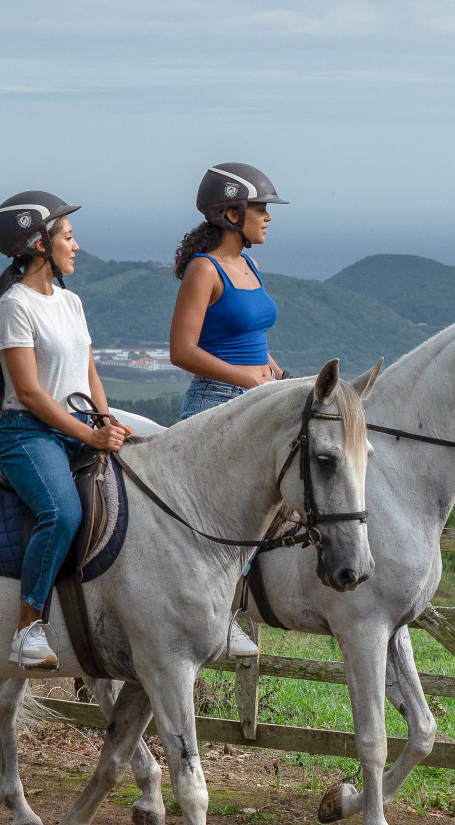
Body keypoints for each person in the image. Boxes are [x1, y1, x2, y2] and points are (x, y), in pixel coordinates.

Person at [0, 190, 131, 670]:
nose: (76, 245)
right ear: (40, 244)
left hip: (78, 425)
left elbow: (90, 375)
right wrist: (89, 437)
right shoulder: (14, 306)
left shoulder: (71, 302)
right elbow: (33, 394)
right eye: (68, 236)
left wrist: (106, 421)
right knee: (62, 512)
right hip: (30, 434)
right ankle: (27, 628)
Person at [168, 163, 288, 657]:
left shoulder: (248, 265)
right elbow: (181, 350)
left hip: (255, 399)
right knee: (224, 523)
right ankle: (216, 615)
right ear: (232, 212)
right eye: (261, 208)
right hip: (215, 405)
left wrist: (271, 369)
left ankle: (235, 608)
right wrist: (245, 377)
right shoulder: (205, 269)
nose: (267, 218)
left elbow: (248, 336)